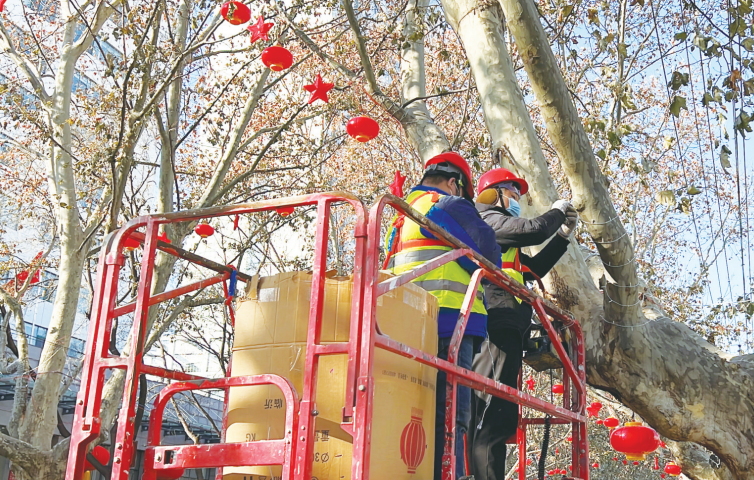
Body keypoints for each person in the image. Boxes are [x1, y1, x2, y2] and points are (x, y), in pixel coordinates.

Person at [384, 152, 501, 480]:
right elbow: (490, 255)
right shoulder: (448, 204)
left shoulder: (400, 216)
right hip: (451, 323)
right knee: (451, 415)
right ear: (454, 183)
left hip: (405, 326)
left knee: (412, 411)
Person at [467, 168, 578, 480]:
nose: (517, 200)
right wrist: (556, 212)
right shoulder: (485, 219)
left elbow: (533, 266)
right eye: (512, 193)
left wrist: (563, 236)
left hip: (508, 320)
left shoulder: (503, 241)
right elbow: (533, 229)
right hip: (495, 318)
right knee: (490, 410)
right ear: (493, 194)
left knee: (501, 411)